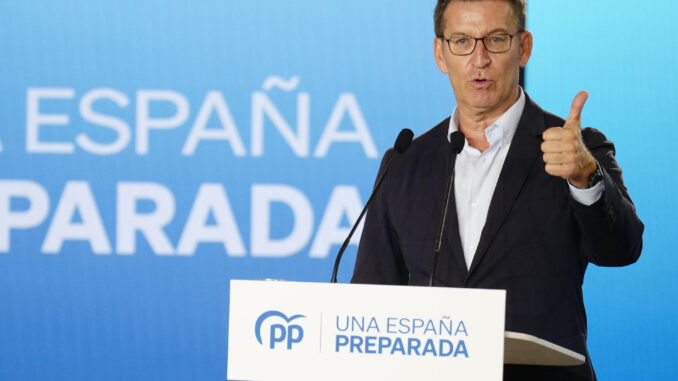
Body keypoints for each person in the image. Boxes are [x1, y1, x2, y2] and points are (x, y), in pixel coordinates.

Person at [351, 0, 644, 379]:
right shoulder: (405, 162)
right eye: (462, 41)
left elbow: (622, 249)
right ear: (440, 53)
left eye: (496, 39)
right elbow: (370, 300)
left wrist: (585, 176)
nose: (479, 59)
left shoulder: (576, 150)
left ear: (523, 48)